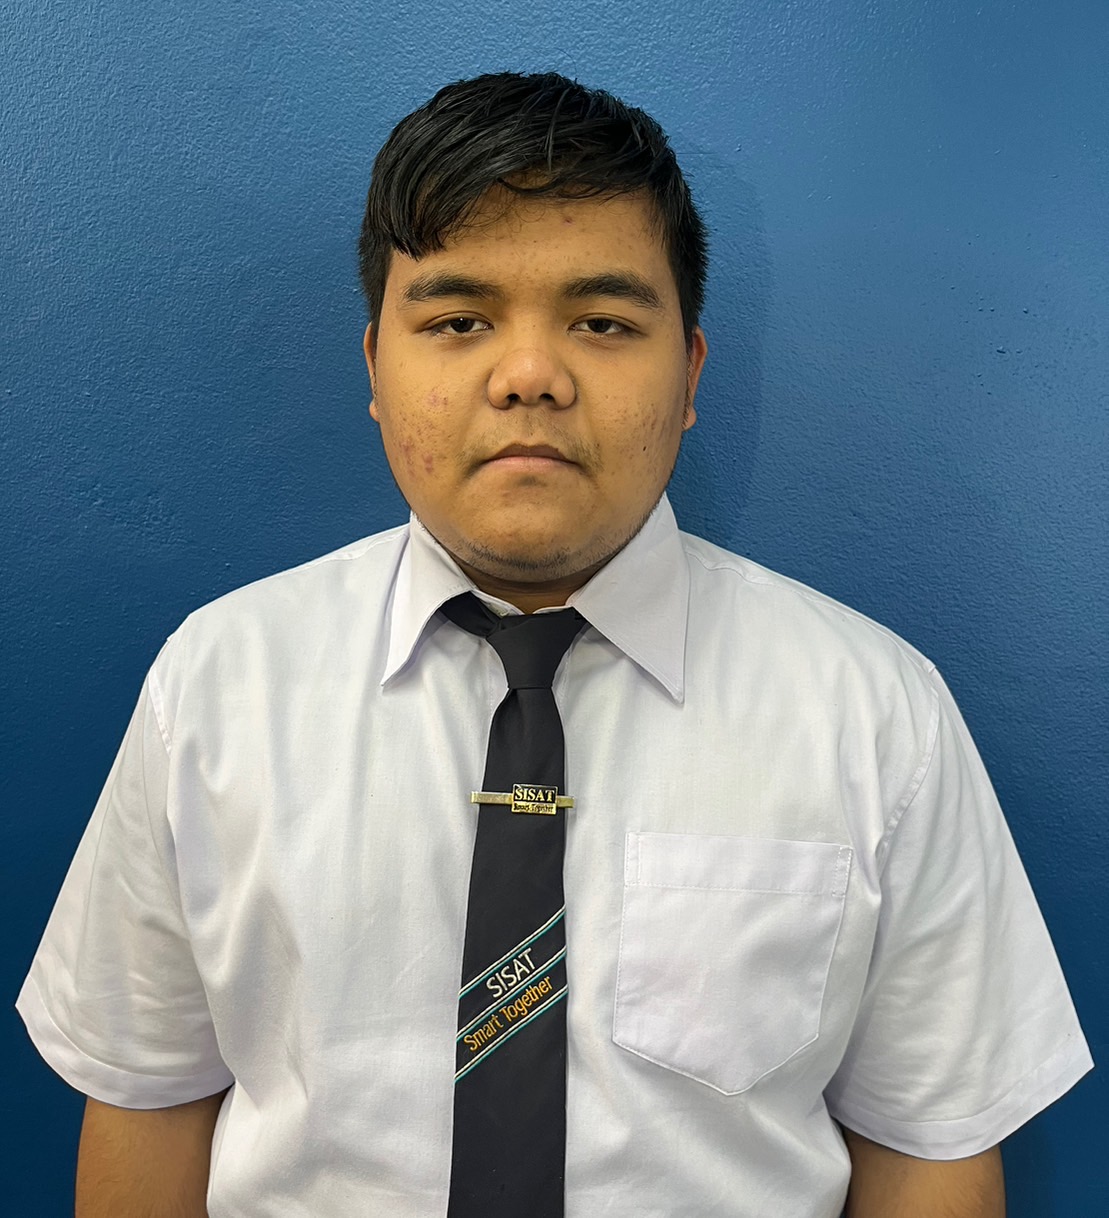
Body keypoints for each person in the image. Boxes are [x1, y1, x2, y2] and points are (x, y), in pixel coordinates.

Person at [18, 72, 1091, 1218]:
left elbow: (929, 1146)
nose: (528, 375)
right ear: (375, 367)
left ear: (688, 374)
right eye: (457, 321)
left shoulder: (873, 713)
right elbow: (148, 1098)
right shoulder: (218, 683)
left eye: (601, 322)